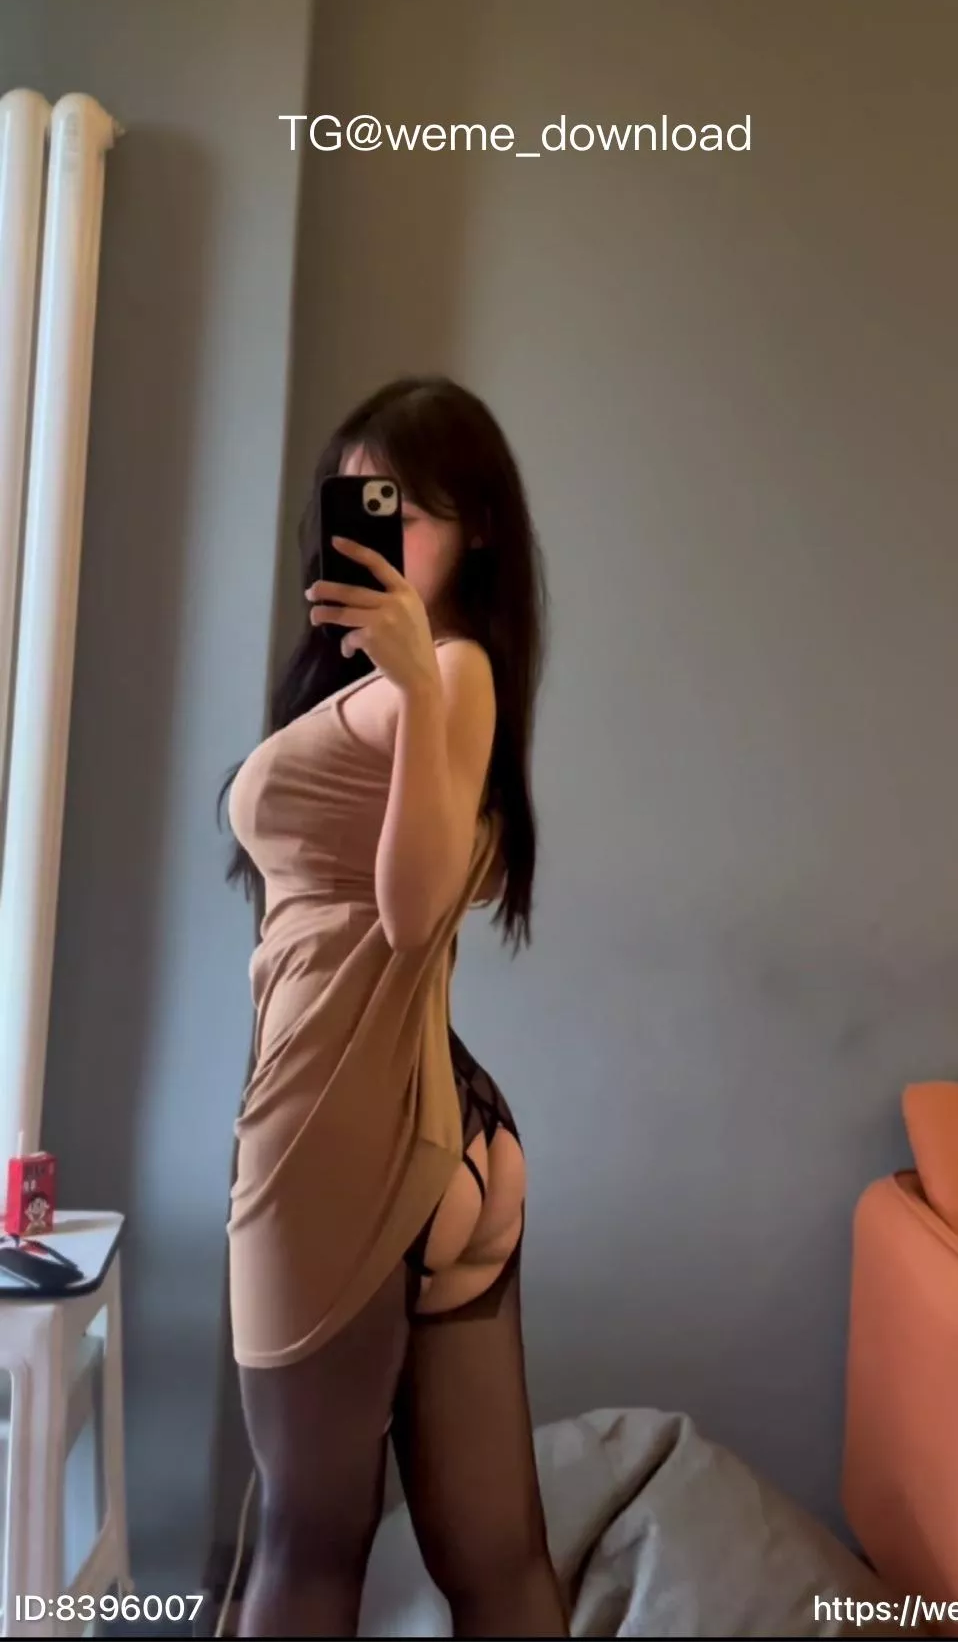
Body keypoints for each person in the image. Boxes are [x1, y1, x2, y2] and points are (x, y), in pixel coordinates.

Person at [219, 376, 568, 1638]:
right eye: (353, 502)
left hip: (338, 1129)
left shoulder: (451, 673)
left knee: (305, 1550)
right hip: (439, 1131)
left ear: (475, 525)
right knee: (499, 1561)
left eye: (402, 509)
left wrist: (418, 685)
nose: (371, 531)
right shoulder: (387, 685)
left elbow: (413, 911)